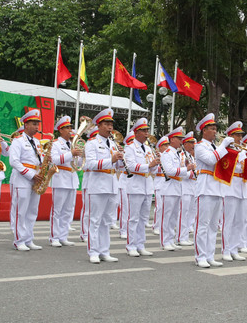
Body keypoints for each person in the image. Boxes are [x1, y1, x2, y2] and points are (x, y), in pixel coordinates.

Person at [193, 113, 234, 268]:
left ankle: (210, 255)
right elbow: (211, 160)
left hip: (217, 188)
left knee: (212, 226)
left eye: (216, 128)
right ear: (204, 130)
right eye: (212, 128)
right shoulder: (199, 146)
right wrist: (224, 146)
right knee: (202, 224)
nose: (215, 131)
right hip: (205, 188)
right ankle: (200, 256)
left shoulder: (214, 147)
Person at [83, 108, 123, 264]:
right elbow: (91, 164)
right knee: (95, 220)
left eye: (111, 125)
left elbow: (118, 167)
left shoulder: (113, 143)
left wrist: (120, 159)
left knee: (107, 220)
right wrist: (111, 160)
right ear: (99, 126)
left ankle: (104, 251)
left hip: (112, 184)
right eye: (106, 124)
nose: (110, 128)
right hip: (98, 185)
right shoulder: (92, 143)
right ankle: (93, 251)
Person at [8, 109, 46, 251]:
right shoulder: (18, 141)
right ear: (26, 124)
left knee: (32, 211)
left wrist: (44, 168)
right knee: (20, 211)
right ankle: (19, 240)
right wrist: (31, 174)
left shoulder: (37, 142)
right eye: (34, 124)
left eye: (38, 124)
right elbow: (14, 161)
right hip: (22, 179)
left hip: (36, 178)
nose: (37, 127)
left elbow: (40, 160)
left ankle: (29, 239)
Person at [123, 118, 160, 256]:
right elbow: (131, 166)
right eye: (144, 131)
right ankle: (131, 245)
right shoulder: (130, 148)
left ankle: (140, 244)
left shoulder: (149, 148)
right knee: (133, 217)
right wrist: (149, 166)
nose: (146, 134)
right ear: (136, 132)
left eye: (147, 131)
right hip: (135, 186)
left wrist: (156, 164)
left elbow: (153, 171)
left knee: (143, 218)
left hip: (147, 186)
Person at [160, 126, 196, 255]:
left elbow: (180, 172)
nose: (181, 141)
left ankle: (171, 240)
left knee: (174, 216)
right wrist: (187, 169)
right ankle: (165, 241)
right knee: (167, 216)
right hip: (169, 188)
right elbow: (169, 171)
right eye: (179, 139)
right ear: (172, 139)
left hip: (177, 188)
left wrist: (188, 171)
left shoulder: (176, 153)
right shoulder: (167, 154)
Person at [49, 115, 82, 248]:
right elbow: (54, 160)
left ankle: (63, 236)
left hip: (72, 179)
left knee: (68, 210)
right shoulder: (56, 144)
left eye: (70, 127)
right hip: (60, 178)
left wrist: (81, 156)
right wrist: (71, 153)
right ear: (60, 130)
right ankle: (54, 237)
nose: (70, 130)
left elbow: (78, 163)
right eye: (67, 128)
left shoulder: (72, 144)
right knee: (57, 210)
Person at [220, 121, 247, 260]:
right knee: (228, 221)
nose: (239, 138)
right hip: (229, 188)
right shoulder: (225, 150)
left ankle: (234, 248)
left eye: (240, 135)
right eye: (237, 135)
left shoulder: (243, 151)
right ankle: (225, 250)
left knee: (240, 220)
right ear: (230, 136)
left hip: (242, 188)